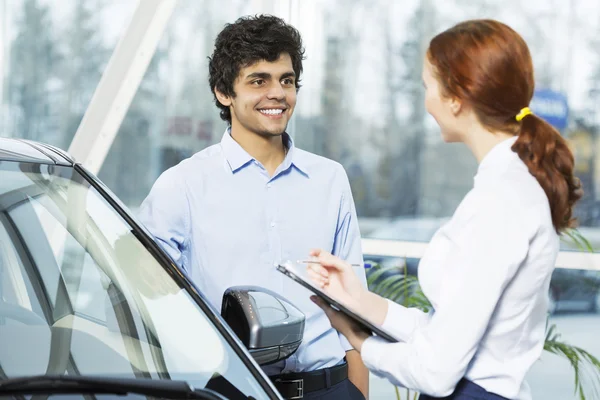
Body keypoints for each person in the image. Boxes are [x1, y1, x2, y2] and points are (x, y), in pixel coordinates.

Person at [305, 19, 582, 400]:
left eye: (428, 87)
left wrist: (359, 342)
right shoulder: (508, 185)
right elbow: (446, 333)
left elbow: (436, 372)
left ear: (455, 99)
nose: (426, 102)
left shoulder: (502, 199)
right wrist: (358, 300)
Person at [137, 14, 369, 400]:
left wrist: (358, 393)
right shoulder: (182, 185)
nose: (277, 93)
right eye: (258, 80)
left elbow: (353, 301)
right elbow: (143, 297)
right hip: (228, 390)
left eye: (287, 80)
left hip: (328, 388)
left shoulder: (330, 179)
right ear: (224, 93)